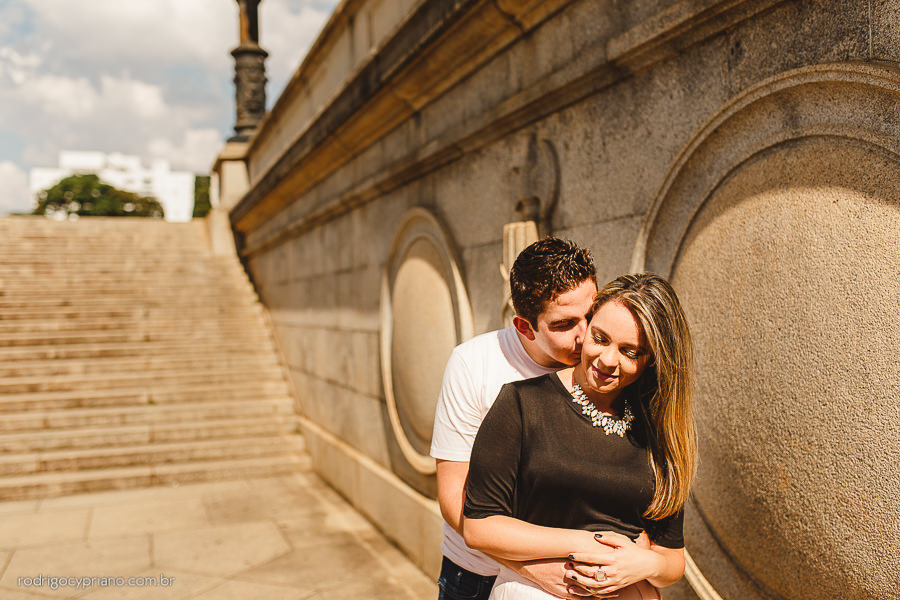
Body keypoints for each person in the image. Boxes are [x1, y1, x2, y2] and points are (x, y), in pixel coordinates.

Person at [462, 273, 697, 600]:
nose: (607, 360)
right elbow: (479, 527)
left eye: (630, 352)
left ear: (651, 362)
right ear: (586, 326)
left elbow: (672, 560)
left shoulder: (657, 431)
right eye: (600, 338)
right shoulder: (521, 403)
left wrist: (642, 564)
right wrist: (590, 543)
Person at [430, 237, 603, 600]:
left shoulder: (604, 363)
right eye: (565, 324)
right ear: (525, 327)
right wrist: (529, 568)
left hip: (572, 577)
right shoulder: (472, 364)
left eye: (591, 314)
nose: (585, 335)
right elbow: (452, 498)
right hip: (477, 576)